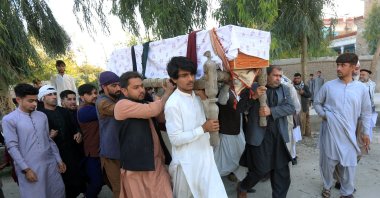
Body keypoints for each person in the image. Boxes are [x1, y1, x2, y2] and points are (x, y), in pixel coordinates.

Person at [164, 56, 228, 198]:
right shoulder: (173, 104)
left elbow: (205, 115)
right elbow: (175, 139)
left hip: (205, 156)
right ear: (174, 79)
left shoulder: (197, 96)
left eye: (192, 74)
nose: (190, 79)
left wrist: (205, 100)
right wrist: (203, 128)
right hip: (187, 164)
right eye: (184, 75)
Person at [314, 53, 372, 198]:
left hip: (350, 133)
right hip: (331, 132)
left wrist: (365, 133)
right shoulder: (329, 86)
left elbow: (366, 112)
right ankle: (327, 186)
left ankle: (346, 192)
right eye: (337, 65)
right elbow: (317, 103)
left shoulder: (361, 89)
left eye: (342, 65)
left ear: (353, 67)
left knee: (350, 163)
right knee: (328, 163)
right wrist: (325, 115)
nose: (338, 68)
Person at [236, 66, 295, 198]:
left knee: (281, 173)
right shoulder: (251, 88)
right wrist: (254, 97)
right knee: (260, 170)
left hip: (278, 136)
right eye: (275, 75)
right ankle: (243, 186)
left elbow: (291, 108)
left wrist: (271, 111)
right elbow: (240, 109)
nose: (278, 78)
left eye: (280, 76)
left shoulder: (285, 89)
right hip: (259, 136)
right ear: (266, 75)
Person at [114, 71, 174, 198]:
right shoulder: (121, 105)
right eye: (136, 87)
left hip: (155, 162)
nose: (141, 90)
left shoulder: (144, 103)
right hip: (137, 166)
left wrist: (160, 97)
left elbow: (161, 118)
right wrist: (167, 93)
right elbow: (152, 110)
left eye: (142, 86)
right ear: (124, 91)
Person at [2, 83, 66, 198]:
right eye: (30, 101)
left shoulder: (42, 116)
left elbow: (48, 140)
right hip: (31, 167)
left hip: (50, 164)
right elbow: (12, 147)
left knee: (57, 193)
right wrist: (26, 169)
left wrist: (59, 160)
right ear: (18, 99)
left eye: (36, 100)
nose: (35, 104)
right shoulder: (9, 120)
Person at [37, 85, 85, 198]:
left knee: (76, 182)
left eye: (54, 94)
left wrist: (78, 133)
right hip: (53, 155)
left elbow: (75, 127)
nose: (53, 97)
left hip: (71, 153)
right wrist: (48, 137)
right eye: (50, 94)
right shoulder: (39, 115)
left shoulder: (64, 111)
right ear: (42, 97)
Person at [95, 71, 122, 198]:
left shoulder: (117, 98)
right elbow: (122, 110)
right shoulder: (102, 102)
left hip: (122, 151)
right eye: (114, 85)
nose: (118, 88)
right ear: (104, 87)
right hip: (111, 154)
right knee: (119, 189)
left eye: (119, 85)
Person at [77, 84, 103, 198]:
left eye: (95, 93)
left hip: (100, 151)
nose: (94, 96)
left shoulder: (93, 107)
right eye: (90, 94)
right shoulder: (85, 111)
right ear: (82, 97)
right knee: (96, 183)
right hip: (92, 153)